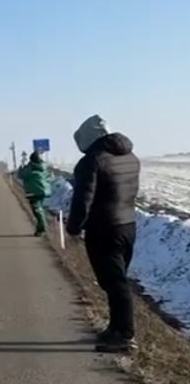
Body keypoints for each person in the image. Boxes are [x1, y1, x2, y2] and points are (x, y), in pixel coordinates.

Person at [66, 114, 141, 353]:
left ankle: (124, 335)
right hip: (128, 225)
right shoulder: (131, 158)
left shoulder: (92, 161)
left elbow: (83, 200)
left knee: (115, 282)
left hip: (104, 229)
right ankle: (116, 328)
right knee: (117, 279)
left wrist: (74, 227)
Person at [19, 151, 51, 236]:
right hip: (43, 191)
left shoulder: (31, 167)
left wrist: (21, 167)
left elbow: (22, 175)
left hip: (34, 192)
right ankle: (39, 230)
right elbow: (50, 176)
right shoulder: (43, 166)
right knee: (40, 210)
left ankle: (43, 229)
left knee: (37, 210)